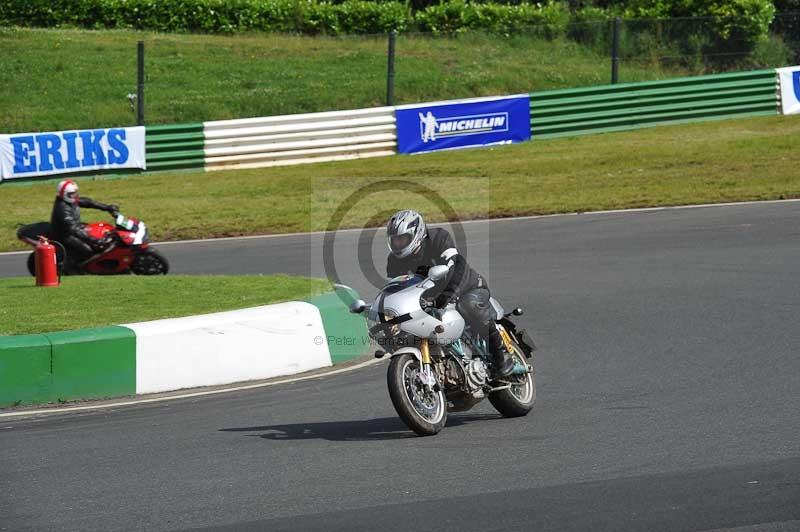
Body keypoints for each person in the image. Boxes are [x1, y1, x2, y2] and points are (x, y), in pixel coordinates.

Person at [385, 209, 515, 378]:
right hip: (429, 298)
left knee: (469, 306)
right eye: (395, 240)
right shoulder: (394, 261)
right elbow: (398, 287)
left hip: (466, 286)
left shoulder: (439, 238)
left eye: (402, 239)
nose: (399, 244)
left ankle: (501, 354)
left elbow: (456, 267)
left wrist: (447, 297)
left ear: (415, 234)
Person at [51, 179, 118, 266]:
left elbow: (87, 202)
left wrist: (106, 207)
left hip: (73, 228)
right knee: (88, 250)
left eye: (75, 193)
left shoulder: (69, 200)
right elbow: (74, 229)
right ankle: (73, 267)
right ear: (64, 194)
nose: (74, 196)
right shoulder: (62, 209)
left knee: (99, 231)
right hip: (65, 235)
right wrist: (94, 240)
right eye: (71, 194)